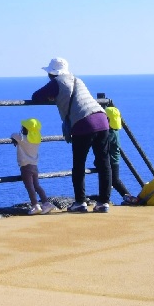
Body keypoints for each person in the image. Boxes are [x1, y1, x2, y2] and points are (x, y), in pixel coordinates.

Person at [30, 57, 113, 213]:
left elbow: (36, 96)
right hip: (102, 120)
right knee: (104, 163)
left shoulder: (56, 82)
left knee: (79, 164)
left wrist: (52, 96)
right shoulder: (77, 80)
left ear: (51, 73)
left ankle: (80, 202)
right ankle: (103, 203)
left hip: (83, 123)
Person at [10, 118, 55, 214]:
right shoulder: (37, 140)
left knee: (30, 187)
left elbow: (13, 135)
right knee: (37, 186)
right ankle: (46, 203)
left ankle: (35, 205)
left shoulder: (21, 139)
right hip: (34, 166)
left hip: (25, 167)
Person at [104, 105, 138, 204]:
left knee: (114, 180)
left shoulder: (111, 133)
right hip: (114, 159)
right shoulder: (114, 131)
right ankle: (105, 198)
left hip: (112, 160)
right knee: (110, 181)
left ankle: (128, 197)